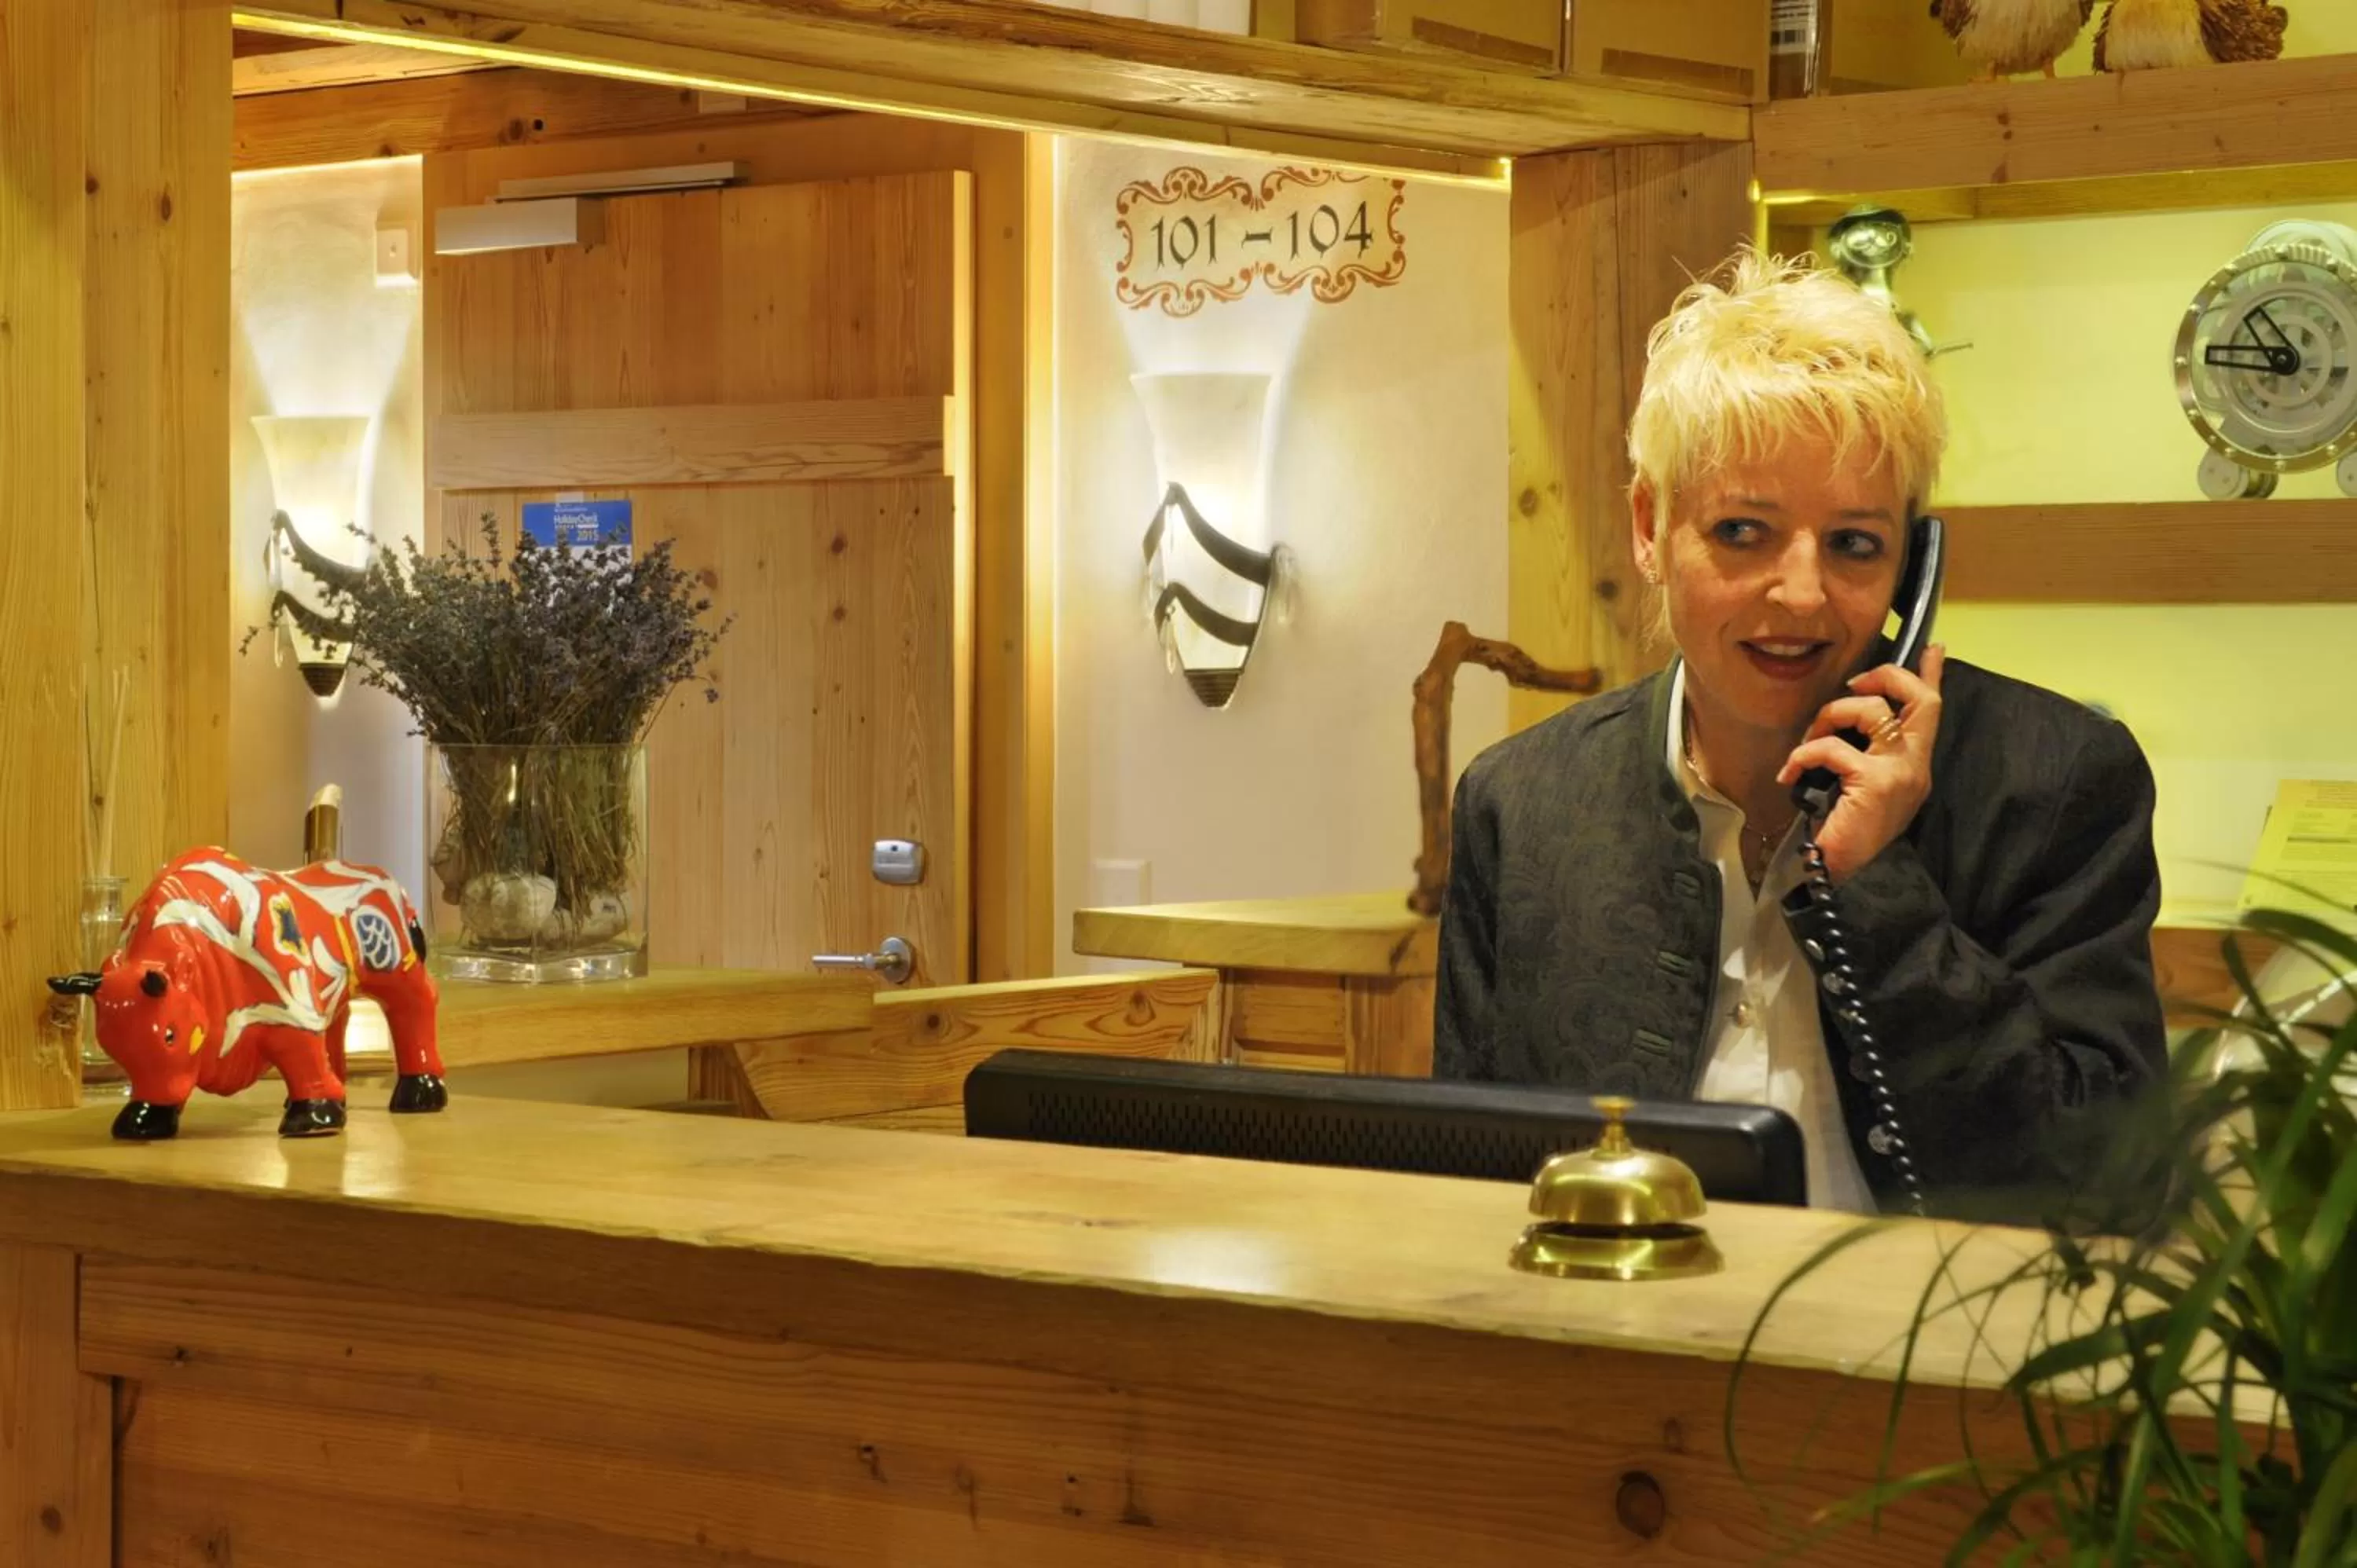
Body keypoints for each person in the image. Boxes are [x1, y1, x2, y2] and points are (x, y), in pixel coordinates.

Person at [1432, 250, 2165, 1223]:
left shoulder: (2057, 781)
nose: (1803, 594)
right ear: (1650, 526)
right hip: (1617, 1312)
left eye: (1856, 543)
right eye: (1743, 532)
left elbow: (2105, 1190)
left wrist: (1876, 885)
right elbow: (1468, 1186)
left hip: (1925, 1325)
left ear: (1912, 563)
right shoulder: (1520, 802)